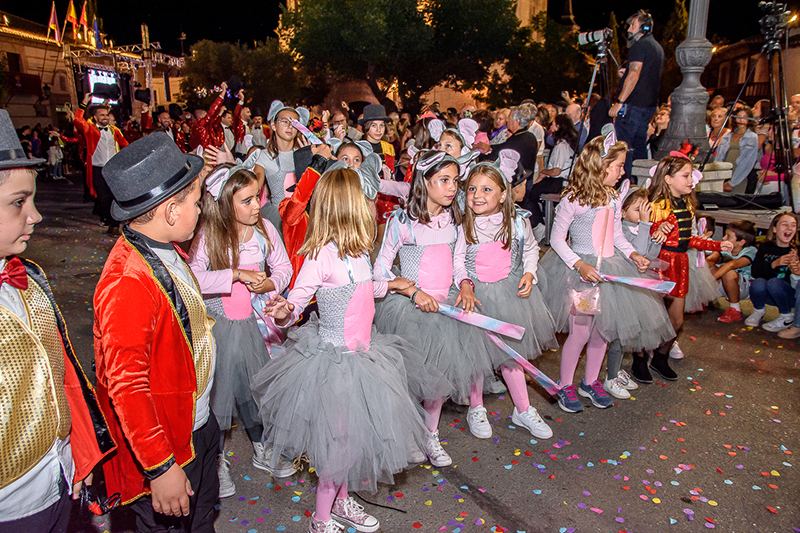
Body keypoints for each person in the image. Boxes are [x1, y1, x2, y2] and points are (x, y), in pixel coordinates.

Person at [252, 168, 440, 533]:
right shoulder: (320, 256)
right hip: (335, 364)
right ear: (349, 209)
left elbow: (365, 287)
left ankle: (341, 501)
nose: (373, 207)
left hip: (366, 357)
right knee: (337, 443)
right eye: (366, 201)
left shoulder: (359, 252)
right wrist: (284, 311)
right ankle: (321, 517)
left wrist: (395, 284)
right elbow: (298, 301)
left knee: (353, 439)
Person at [93, 133, 220, 532]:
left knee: (201, 521)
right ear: (169, 211)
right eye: (196, 203)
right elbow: (127, 386)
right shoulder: (127, 280)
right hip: (168, 447)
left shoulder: (162, 247)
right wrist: (161, 467)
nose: (200, 211)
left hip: (195, 425)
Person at [0, 110, 114, 533]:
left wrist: (77, 457)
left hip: (59, 481)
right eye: (18, 203)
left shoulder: (29, 276)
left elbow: (62, 377)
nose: (36, 216)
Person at [539, 135, 674, 412]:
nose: (622, 171)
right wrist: (580, 265)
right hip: (583, 274)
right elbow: (556, 240)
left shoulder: (613, 198)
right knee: (580, 333)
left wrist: (633, 254)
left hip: (610, 272)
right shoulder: (574, 200)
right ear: (600, 166)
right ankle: (565, 385)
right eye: (619, 166)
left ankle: (590, 382)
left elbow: (616, 237)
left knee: (602, 332)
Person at [373, 150, 495, 457]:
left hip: (447, 308)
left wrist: (465, 285)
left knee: (437, 379)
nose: (452, 187)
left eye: (455, 180)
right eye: (443, 180)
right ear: (424, 182)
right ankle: (407, 433)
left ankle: (430, 434)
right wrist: (413, 292)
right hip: (412, 311)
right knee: (412, 377)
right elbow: (380, 272)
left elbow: (459, 264)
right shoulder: (403, 222)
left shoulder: (455, 219)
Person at [187, 163, 295, 498]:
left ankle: (263, 446)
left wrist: (271, 281)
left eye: (257, 197)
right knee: (221, 393)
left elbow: (284, 266)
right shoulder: (209, 235)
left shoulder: (263, 230)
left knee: (257, 388)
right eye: (247, 200)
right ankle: (216, 460)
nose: (257, 206)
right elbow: (190, 277)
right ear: (224, 204)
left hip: (259, 324)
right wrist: (233, 274)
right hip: (224, 327)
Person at [461, 152, 557, 438]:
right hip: (473, 296)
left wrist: (529, 273)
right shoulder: (462, 224)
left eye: (487, 189)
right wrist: (464, 282)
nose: (478, 195)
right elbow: (455, 260)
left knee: (511, 355)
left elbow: (529, 249)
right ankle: (475, 407)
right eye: (472, 189)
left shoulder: (517, 222)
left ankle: (523, 408)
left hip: (508, 293)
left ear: (503, 195)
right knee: (474, 356)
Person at [644, 156, 732, 381]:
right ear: (668, 179)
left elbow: (689, 239)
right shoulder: (655, 207)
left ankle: (660, 358)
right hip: (660, 264)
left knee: (677, 321)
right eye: (686, 175)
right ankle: (639, 359)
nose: (691, 180)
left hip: (680, 264)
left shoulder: (687, 205)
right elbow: (646, 233)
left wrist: (717, 244)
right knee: (651, 317)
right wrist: (657, 228)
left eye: (691, 175)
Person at [602, 184, 662, 399]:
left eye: (645, 209)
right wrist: (646, 225)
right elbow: (639, 250)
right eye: (637, 209)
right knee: (618, 335)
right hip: (622, 288)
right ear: (623, 211)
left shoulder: (640, 228)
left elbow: (650, 254)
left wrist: (657, 239)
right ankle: (610, 377)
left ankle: (616, 371)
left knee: (627, 335)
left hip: (636, 287)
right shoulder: (623, 230)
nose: (643, 214)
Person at [609, 10, 665, 179]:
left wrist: (620, 101)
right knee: (639, 144)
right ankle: (641, 183)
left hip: (633, 105)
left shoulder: (639, 45)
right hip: (648, 105)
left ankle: (623, 183)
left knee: (623, 146)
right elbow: (642, 73)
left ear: (644, 27)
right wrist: (626, 74)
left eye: (633, 25)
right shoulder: (657, 47)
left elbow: (635, 73)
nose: (629, 29)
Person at [73, 92, 129, 234]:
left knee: (116, 197)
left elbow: (126, 145)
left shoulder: (114, 130)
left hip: (113, 169)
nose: (105, 117)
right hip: (98, 170)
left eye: (106, 115)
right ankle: (109, 222)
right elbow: (78, 120)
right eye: (102, 115)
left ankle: (115, 225)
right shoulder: (90, 130)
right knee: (103, 199)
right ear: (95, 118)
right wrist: (84, 103)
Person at [257, 100, 310, 236]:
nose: (290, 126)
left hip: (304, 216)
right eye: (284, 121)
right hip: (277, 218)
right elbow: (255, 186)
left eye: (294, 122)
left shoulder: (305, 153)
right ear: (273, 126)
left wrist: (310, 157)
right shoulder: (264, 156)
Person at [523, 114, 577, 241]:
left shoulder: (561, 147)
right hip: (559, 180)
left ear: (558, 127)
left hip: (558, 182)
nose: (551, 126)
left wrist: (544, 172)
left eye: (553, 124)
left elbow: (556, 171)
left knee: (528, 193)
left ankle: (538, 225)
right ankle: (539, 223)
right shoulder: (567, 145)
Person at [746, 213, 799, 331]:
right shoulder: (765, 248)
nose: (789, 229)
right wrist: (775, 263)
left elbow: (796, 286)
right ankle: (758, 310)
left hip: (789, 296)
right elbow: (755, 271)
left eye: (793, 226)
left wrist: (795, 270)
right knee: (757, 283)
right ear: (774, 229)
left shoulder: (796, 250)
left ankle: (786, 315)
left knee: (774, 282)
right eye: (784, 225)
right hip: (768, 294)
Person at [707, 220, 757, 323]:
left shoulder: (751, 251)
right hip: (723, 282)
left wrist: (709, 281)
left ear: (741, 242)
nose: (723, 238)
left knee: (728, 272)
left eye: (728, 236)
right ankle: (704, 300)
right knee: (709, 266)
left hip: (744, 288)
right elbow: (711, 259)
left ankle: (735, 309)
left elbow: (731, 265)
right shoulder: (725, 247)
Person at [715, 106, 759, 193]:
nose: (741, 119)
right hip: (725, 171)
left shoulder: (752, 137)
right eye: (739, 116)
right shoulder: (727, 135)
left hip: (739, 174)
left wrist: (732, 182)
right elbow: (719, 156)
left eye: (744, 117)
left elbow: (748, 161)